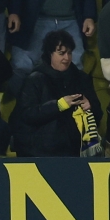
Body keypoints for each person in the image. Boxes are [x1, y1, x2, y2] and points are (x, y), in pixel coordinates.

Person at [12, 29, 102, 157]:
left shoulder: (82, 78)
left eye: (69, 53)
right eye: (61, 53)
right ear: (50, 54)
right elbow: (26, 115)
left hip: (76, 151)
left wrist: (90, 106)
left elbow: (98, 113)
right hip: (42, 153)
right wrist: (58, 105)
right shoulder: (35, 79)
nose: (67, 58)